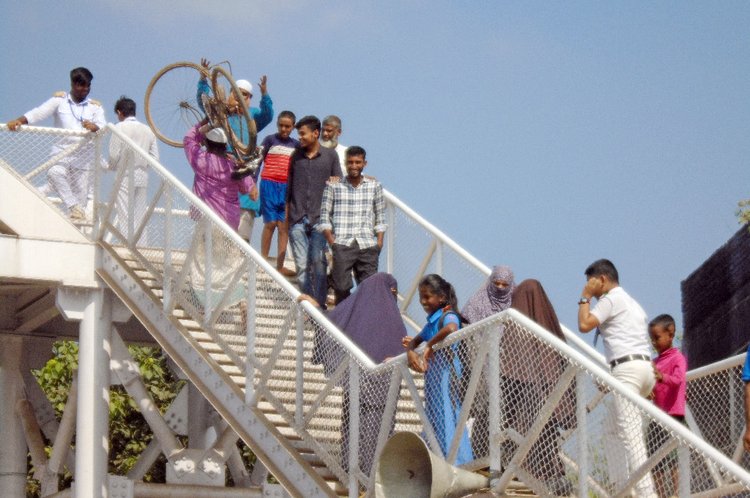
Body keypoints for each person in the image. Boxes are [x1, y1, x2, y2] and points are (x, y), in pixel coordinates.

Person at [298, 273, 406, 477]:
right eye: (391, 291)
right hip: (383, 390)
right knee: (375, 431)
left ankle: (357, 476)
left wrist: (316, 310)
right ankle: (366, 477)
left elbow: (332, 323)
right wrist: (316, 309)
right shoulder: (395, 323)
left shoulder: (360, 314)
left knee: (359, 429)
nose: (393, 296)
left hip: (360, 384)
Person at [578, 258, 657, 497]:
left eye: (591, 281)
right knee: (611, 428)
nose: (589, 286)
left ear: (602, 279)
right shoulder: (633, 303)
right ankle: (621, 486)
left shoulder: (611, 299)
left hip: (628, 371)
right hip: (644, 368)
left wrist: (585, 296)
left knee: (629, 433)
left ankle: (646, 493)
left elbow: (584, 324)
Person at [504, 279, 575, 496]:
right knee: (542, 443)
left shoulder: (518, 327)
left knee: (527, 438)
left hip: (527, 404)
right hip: (541, 402)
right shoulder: (547, 328)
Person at [6, 67, 106, 220]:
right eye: (81, 85)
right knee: (55, 173)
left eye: (88, 85)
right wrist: (19, 121)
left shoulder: (95, 107)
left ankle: (77, 224)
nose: (85, 89)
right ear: (72, 84)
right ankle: (72, 206)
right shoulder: (59, 101)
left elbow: (103, 127)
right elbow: (38, 113)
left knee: (81, 198)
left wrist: (95, 127)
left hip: (84, 158)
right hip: (62, 152)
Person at [197, 58, 274, 241]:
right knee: (209, 233)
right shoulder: (220, 111)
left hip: (243, 177)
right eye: (238, 94)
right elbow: (203, 102)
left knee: (240, 236)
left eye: (246, 96)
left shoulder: (252, 116)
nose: (241, 99)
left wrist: (265, 95)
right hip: (219, 178)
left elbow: (268, 115)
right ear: (230, 94)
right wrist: (202, 80)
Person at [183, 121, 254, 308]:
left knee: (202, 264)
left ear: (208, 144)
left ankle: (208, 305)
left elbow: (189, 138)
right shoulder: (233, 165)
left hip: (206, 221)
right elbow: (251, 191)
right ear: (224, 145)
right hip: (229, 224)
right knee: (229, 265)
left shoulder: (200, 159)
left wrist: (204, 123)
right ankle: (240, 300)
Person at [404, 274, 474, 465]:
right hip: (434, 380)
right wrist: (411, 352)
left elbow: (451, 328)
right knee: (435, 418)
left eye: (428, 297)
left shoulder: (448, 316)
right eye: (421, 297)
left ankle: (459, 462)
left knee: (450, 418)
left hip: (447, 378)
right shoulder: (431, 323)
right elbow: (415, 341)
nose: (423, 302)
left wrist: (430, 346)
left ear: (441, 297)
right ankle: (440, 460)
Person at [286, 115, 342, 307]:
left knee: (318, 261)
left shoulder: (330, 156)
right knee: (302, 265)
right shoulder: (295, 156)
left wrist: (336, 181)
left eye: (302, 133)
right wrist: (288, 220)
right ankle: (310, 305)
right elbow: (288, 189)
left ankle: (318, 303)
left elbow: (339, 182)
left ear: (315, 133)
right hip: (297, 218)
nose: (300, 137)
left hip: (321, 220)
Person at [319, 146, 386, 304]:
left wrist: (379, 242)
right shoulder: (333, 186)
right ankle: (344, 319)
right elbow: (324, 215)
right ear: (345, 163)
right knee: (341, 287)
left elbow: (381, 216)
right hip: (342, 243)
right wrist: (332, 241)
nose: (354, 166)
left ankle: (362, 322)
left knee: (369, 289)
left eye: (358, 162)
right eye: (350, 162)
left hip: (367, 244)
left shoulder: (374, 186)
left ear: (364, 163)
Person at [461, 265, 514, 458]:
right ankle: (479, 454)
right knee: (483, 407)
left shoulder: (514, 303)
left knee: (503, 408)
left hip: (506, 365)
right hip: (479, 362)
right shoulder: (478, 301)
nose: (500, 288)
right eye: (496, 283)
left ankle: (500, 457)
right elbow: (468, 330)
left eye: (504, 285)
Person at [108, 96, 159, 244]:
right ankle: (141, 245)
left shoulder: (119, 127)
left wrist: (111, 166)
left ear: (119, 112)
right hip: (142, 174)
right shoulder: (148, 130)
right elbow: (154, 157)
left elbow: (113, 155)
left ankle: (127, 243)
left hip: (124, 174)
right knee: (139, 212)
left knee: (124, 211)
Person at [647, 314, 687, 498]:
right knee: (654, 458)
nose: (654, 342)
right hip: (657, 415)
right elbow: (651, 386)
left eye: (657, 337)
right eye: (652, 338)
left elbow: (679, 380)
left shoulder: (678, 358)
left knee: (672, 460)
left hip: (673, 414)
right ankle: (661, 494)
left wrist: (662, 377)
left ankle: (676, 494)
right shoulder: (654, 362)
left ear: (670, 335)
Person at [257, 111, 298, 276]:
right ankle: (263, 260)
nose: (284, 129)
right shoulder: (269, 140)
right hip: (269, 184)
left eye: (287, 126)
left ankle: (280, 265)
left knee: (283, 226)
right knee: (270, 223)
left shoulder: (296, 145)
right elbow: (258, 161)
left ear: (293, 127)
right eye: (281, 125)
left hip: (286, 187)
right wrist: (253, 182)